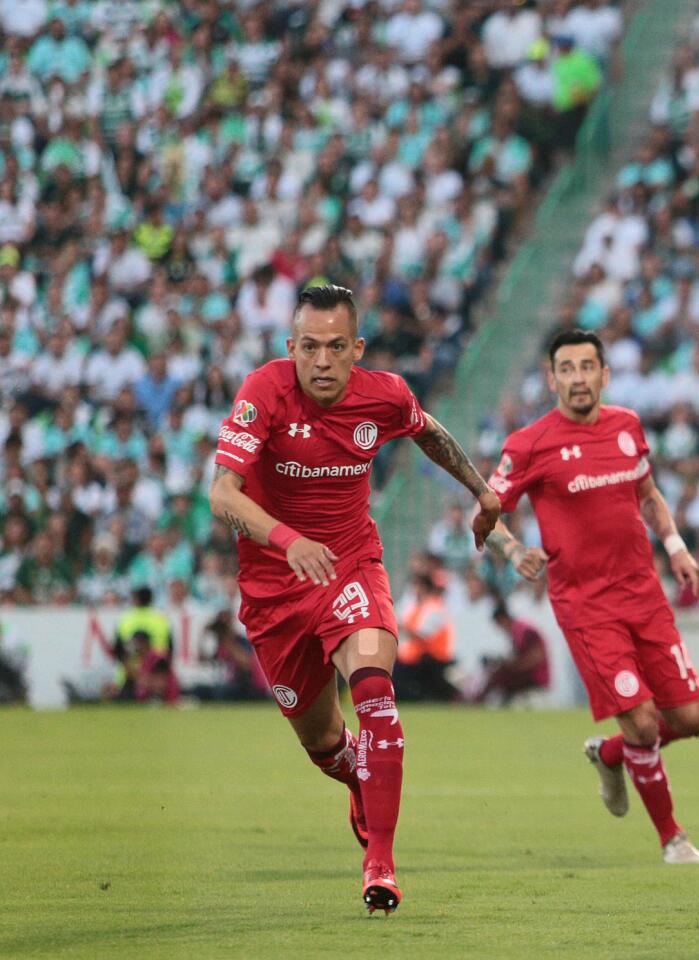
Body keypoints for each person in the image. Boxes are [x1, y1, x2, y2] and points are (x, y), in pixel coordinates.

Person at [208, 284, 502, 914]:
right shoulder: (264, 391)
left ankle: (382, 865)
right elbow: (223, 495)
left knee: (376, 694)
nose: (321, 361)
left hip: (350, 568)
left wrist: (484, 493)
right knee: (324, 744)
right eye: (309, 347)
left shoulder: (385, 394)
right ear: (291, 348)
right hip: (275, 590)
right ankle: (356, 779)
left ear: (356, 349)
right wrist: (287, 541)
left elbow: (427, 431)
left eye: (336, 347)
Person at [482, 329, 699, 865]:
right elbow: (488, 513)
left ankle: (609, 756)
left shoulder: (628, 427)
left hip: (644, 594)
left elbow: (648, 495)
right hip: (586, 606)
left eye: (588, 367)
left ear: (604, 375)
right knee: (644, 723)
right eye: (567, 368)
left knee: (692, 718)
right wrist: (514, 552)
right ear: (552, 377)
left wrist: (676, 547)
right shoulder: (529, 443)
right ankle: (672, 839)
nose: (578, 377)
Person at [395, 570, 461, 702]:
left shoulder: (434, 608)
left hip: (433, 657)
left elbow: (423, 636)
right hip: (415, 656)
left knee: (398, 675)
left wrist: (401, 627)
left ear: (425, 588)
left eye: (417, 586)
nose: (414, 590)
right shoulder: (413, 607)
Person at [474, 602, 551, 704]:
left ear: (503, 619)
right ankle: (483, 700)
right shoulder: (517, 631)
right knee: (499, 673)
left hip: (536, 675)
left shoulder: (525, 630)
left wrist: (515, 666)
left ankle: (478, 701)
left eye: (499, 624)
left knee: (499, 675)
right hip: (527, 672)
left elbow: (537, 656)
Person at [115, 586, 173, 660]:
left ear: (137, 599)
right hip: (156, 666)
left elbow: (118, 647)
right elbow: (170, 645)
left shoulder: (126, 617)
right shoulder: (161, 617)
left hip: (131, 666)